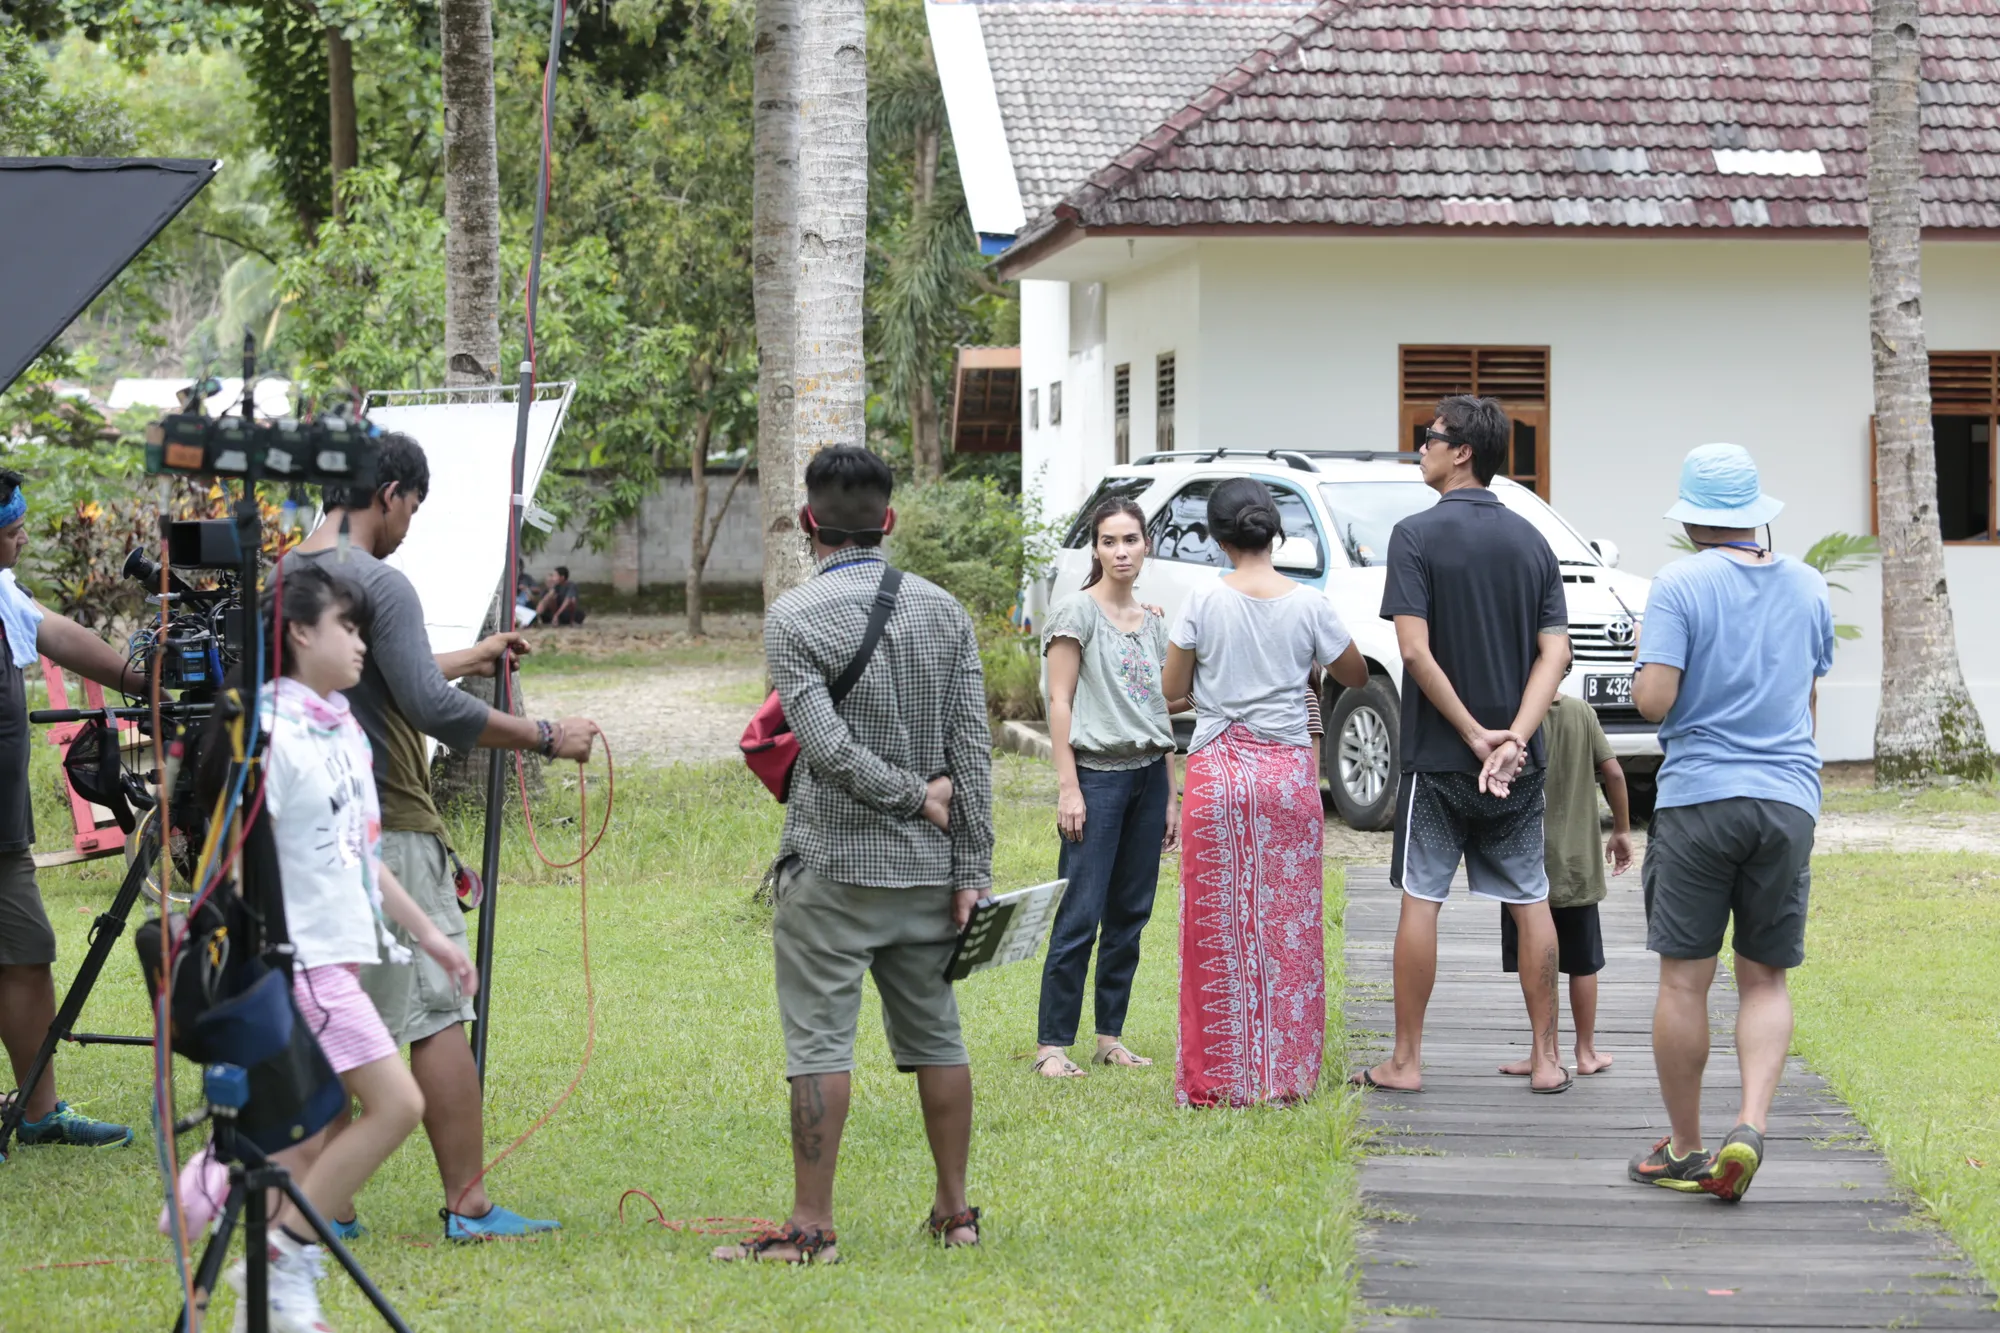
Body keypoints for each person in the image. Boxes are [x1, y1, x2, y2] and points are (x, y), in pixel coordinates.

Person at [281, 433, 601, 1239]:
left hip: (307, 835)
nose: (410, 525)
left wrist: (475, 653)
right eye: (412, 509)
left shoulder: (288, 574)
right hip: (390, 828)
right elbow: (430, 708)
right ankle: (469, 1202)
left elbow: (383, 670)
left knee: (333, 1011)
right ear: (389, 492)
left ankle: (329, 1204)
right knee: (435, 1015)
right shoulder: (381, 579)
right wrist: (544, 733)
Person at [713, 446, 992, 1264]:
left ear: (808, 524)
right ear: (889, 520)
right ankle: (955, 1211)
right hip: (928, 876)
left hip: (830, 870)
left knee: (819, 1047)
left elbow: (825, 749)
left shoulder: (793, 618)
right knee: (939, 1037)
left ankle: (813, 1225)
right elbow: (971, 747)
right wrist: (970, 862)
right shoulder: (946, 612)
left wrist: (912, 795)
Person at [220, 564, 480, 1331]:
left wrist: (431, 935)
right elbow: (233, 852)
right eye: (348, 627)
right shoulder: (266, 727)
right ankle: (284, 1262)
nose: (363, 644)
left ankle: (267, 1301)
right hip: (295, 963)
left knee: (298, 1145)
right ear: (301, 633)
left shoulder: (345, 729)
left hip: (339, 956)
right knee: (396, 1102)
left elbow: (361, 856)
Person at [1627, 443, 1833, 1202]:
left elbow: (1653, 701)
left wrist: (1644, 659)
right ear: (1754, 516)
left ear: (1691, 518)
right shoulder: (1809, 585)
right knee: (1764, 976)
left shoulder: (1679, 584)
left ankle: (1685, 1148)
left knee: (1685, 979)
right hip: (1787, 798)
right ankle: (1750, 1123)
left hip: (1700, 798)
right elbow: (1807, 702)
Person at [1350, 395, 1573, 1097]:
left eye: (1429, 437)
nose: (1421, 447)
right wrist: (1515, 737)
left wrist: (1474, 734)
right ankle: (1545, 1059)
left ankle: (1407, 1061)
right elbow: (1556, 654)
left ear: (1463, 452)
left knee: (1422, 899)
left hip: (1439, 760)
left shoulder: (1414, 537)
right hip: (1516, 768)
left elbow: (1413, 652)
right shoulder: (1533, 541)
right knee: (1530, 899)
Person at [1162, 479, 1366, 1107]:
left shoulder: (1201, 599)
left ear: (1218, 539)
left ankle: (1218, 1079)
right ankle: (1286, 1076)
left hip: (1218, 775)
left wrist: (1220, 691)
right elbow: (1354, 675)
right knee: (1289, 928)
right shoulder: (1310, 605)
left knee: (1216, 928)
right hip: (1285, 776)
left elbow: (1172, 689)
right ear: (1274, 533)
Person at [0, 467, 145, 1156]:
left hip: (4, 834)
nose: (20, 537)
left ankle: (38, 1110)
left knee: (28, 952)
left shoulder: (4, 590)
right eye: (10, 530)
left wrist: (137, 679)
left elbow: (56, 633)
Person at [1032, 496, 1181, 1079]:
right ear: (1095, 548)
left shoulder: (1155, 622)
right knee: (1080, 913)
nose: (1122, 551)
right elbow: (1059, 702)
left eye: (1132, 540)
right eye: (1110, 541)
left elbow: (1157, 714)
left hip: (1148, 777)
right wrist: (1068, 789)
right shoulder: (1076, 613)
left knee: (1131, 914)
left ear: (1147, 545)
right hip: (1096, 779)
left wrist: (1170, 798)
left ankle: (1108, 1037)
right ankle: (1051, 1045)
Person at [1496, 685, 1633, 1080]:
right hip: (1577, 865)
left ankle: (1545, 1052)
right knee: (1582, 963)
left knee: (1535, 957)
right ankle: (1586, 1052)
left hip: (1524, 861)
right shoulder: (1582, 713)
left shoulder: (1515, 715)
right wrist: (1621, 830)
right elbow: (1614, 772)